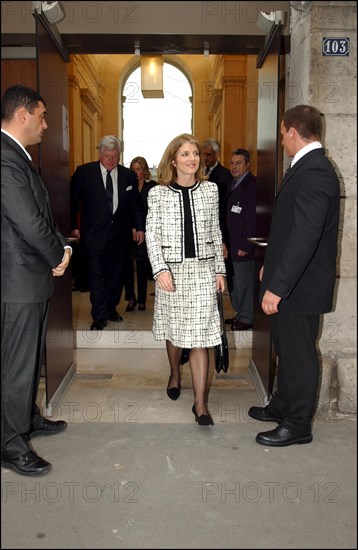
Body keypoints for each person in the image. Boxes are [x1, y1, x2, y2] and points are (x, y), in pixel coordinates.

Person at [248, 105, 340, 447]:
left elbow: (305, 238)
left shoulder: (315, 172)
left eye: (283, 133)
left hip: (299, 289)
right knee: (287, 350)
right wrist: (269, 267)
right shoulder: (305, 168)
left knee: (299, 355)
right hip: (292, 281)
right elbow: (289, 231)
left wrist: (278, 286)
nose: (282, 140)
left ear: (291, 132)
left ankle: (298, 425)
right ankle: (283, 405)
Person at [1, 85, 71, 476]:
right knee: (15, 364)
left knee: (26, 362)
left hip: (30, 280)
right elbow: (27, 221)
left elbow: (40, 216)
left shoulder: (18, 157)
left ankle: (25, 420)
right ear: (22, 115)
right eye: (42, 116)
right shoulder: (4, 157)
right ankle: (11, 445)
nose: (46, 124)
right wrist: (57, 253)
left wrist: (63, 246)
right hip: (16, 283)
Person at [145, 133, 226, 425]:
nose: (192, 159)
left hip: (203, 272)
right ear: (173, 160)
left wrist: (220, 271)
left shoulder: (211, 190)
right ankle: (175, 372)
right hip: (172, 273)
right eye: (185, 154)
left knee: (201, 338)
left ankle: (200, 404)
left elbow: (216, 232)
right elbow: (152, 236)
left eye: (195, 153)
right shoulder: (158, 193)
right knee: (175, 330)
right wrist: (160, 270)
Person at [70, 136, 145, 330]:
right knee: (97, 274)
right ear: (100, 154)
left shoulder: (128, 176)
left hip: (119, 235)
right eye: (107, 156)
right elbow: (72, 201)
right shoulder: (84, 173)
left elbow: (136, 205)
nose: (111, 160)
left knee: (116, 274)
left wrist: (139, 227)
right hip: (94, 234)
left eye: (115, 156)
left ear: (119, 155)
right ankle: (100, 314)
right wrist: (74, 226)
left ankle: (112, 308)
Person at [222, 149, 256, 331]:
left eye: (238, 163)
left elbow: (252, 218)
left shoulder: (252, 185)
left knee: (245, 282)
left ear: (247, 165)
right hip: (231, 243)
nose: (234, 167)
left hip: (243, 245)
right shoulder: (233, 183)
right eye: (232, 163)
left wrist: (246, 244)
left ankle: (248, 317)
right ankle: (240, 313)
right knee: (235, 281)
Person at [124, 156, 157, 312]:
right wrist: (132, 228)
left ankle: (142, 299)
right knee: (127, 268)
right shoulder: (126, 186)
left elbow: (154, 212)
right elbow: (123, 210)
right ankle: (131, 298)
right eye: (133, 169)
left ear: (145, 171)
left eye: (138, 169)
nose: (135, 172)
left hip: (146, 232)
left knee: (143, 267)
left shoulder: (152, 187)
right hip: (128, 232)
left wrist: (142, 229)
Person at [202, 138, 232, 229]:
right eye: (202, 154)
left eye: (208, 155)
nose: (205, 158)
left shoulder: (226, 175)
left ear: (217, 155)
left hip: (216, 222)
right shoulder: (196, 172)